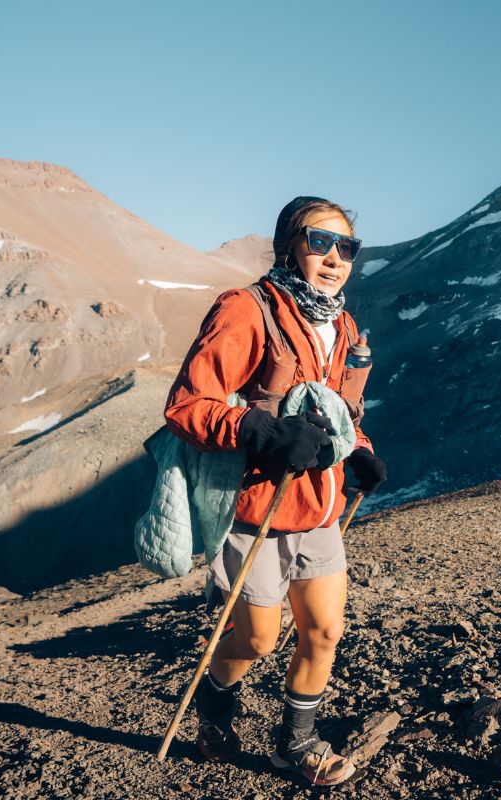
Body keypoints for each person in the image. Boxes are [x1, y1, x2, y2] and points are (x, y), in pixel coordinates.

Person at [163, 195, 387, 786]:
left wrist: (359, 452)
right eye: (320, 242)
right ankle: (214, 702)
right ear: (290, 243)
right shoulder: (246, 309)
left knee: (324, 632)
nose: (335, 258)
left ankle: (296, 746)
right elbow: (187, 407)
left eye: (347, 248)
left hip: (319, 506)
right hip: (254, 509)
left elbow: (339, 414)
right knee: (258, 639)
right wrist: (259, 430)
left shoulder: (340, 325)